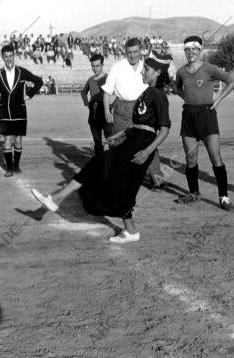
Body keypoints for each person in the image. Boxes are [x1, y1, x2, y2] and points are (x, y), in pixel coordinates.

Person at [31, 51, 173, 243]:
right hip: (132, 141)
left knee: (117, 181)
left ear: (157, 72)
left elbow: (163, 129)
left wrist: (147, 152)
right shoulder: (147, 92)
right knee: (111, 177)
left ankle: (57, 199)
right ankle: (130, 230)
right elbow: (137, 126)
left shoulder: (159, 96)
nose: (142, 73)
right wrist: (119, 135)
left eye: (145, 70)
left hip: (141, 147)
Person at [173, 35, 234, 211]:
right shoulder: (181, 71)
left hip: (207, 115)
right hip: (188, 116)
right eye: (187, 49)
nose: (190, 52)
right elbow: (177, 87)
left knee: (215, 157)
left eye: (194, 49)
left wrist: (218, 101)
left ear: (200, 50)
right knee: (191, 158)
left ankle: (223, 197)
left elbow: (231, 81)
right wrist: (186, 97)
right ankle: (194, 193)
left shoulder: (209, 68)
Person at [102, 38, 164, 189]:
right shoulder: (117, 67)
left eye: (135, 52)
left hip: (143, 109)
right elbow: (107, 92)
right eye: (129, 52)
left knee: (148, 142)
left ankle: (157, 177)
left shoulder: (147, 66)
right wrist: (106, 112)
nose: (132, 55)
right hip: (122, 109)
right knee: (120, 144)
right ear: (125, 52)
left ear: (141, 51)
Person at [0, 45, 43, 177]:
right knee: (7, 141)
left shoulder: (22, 72)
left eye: (10, 56)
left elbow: (39, 81)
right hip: (5, 112)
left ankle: (16, 165)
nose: (8, 59)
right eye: (6, 57)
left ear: (14, 56)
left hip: (20, 112)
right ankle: (9, 168)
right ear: (2, 58)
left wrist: (29, 94)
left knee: (18, 141)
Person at [80, 54, 110, 156]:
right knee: (97, 142)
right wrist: (87, 104)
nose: (95, 68)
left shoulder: (108, 78)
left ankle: (110, 165)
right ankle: (99, 164)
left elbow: (117, 94)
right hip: (93, 115)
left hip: (106, 114)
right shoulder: (90, 80)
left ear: (102, 65)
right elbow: (83, 92)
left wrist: (111, 107)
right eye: (93, 66)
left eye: (97, 66)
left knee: (110, 140)